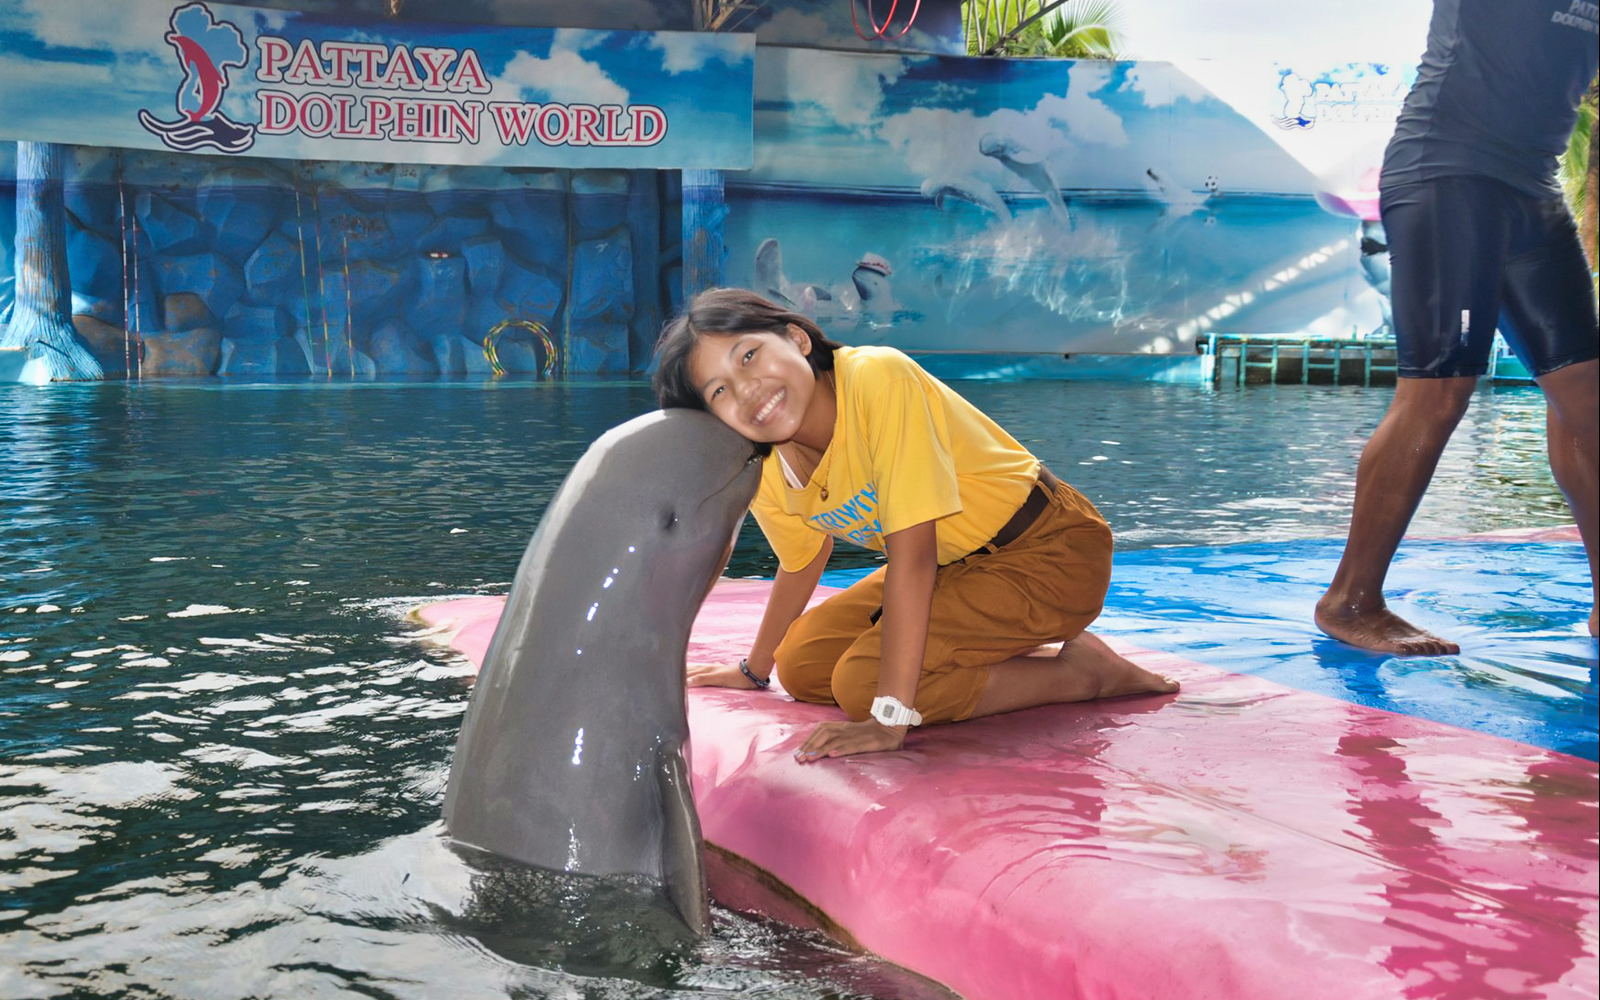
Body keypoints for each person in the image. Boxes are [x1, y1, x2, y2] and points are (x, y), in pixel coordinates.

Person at [653, 288, 1177, 762]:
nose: (746, 391)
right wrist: (754, 670)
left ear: (796, 338)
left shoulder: (878, 378)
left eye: (749, 356)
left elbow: (912, 558)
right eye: (718, 391)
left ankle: (1083, 673)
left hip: (1048, 553)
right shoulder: (765, 461)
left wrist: (889, 720)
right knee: (805, 666)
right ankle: (994, 647)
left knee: (863, 685)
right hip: (956, 569)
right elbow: (803, 559)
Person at [1316, 0, 1600, 655]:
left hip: (1532, 193)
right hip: (1450, 175)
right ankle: (1351, 599)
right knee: (1440, 389)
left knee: (1585, 390)